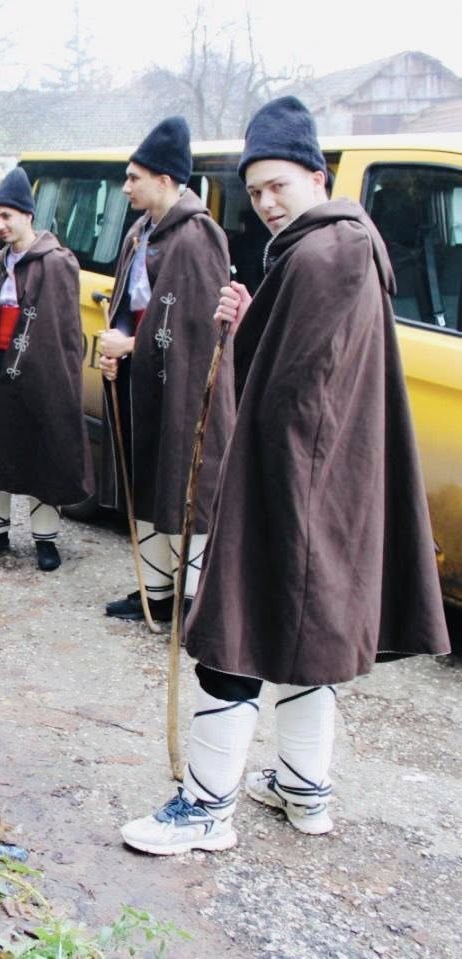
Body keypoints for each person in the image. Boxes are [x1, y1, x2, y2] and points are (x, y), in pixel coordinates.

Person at [120, 97, 450, 855]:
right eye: (256, 190)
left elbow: (296, 392)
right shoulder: (335, 247)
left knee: (236, 639)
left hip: (293, 482)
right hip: (324, 484)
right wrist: (250, 321)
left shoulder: (325, 253)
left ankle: (206, 808)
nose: (267, 202)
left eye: (279, 185)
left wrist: (259, 488)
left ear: (316, 176)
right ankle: (305, 790)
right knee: (305, 636)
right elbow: (300, 360)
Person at [97, 116, 233, 623]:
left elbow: (198, 329)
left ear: (165, 179)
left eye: (134, 178)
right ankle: (155, 592)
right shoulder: (139, 233)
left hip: (182, 386)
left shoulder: (198, 236)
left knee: (184, 483)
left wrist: (132, 344)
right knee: (147, 478)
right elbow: (128, 305)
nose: (125, 187)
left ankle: (193, 602)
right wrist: (116, 349)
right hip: (142, 377)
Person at [0, 168, 92, 569]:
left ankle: (45, 538)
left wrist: (46, 370)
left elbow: (62, 330)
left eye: (7, 216)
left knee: (40, 447)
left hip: (39, 371)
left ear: (28, 215)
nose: (0, 225)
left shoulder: (57, 262)